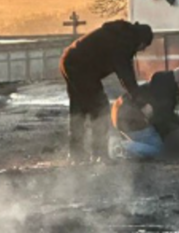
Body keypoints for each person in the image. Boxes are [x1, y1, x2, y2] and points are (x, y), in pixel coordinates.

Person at [60, 20, 153, 162]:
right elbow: (126, 76)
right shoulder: (122, 43)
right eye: (143, 46)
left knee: (78, 109)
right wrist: (141, 102)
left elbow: (125, 73)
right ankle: (99, 153)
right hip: (81, 68)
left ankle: (76, 154)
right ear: (141, 41)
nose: (142, 50)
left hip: (69, 60)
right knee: (100, 109)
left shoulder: (121, 35)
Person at [111, 64, 179, 159]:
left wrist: (178, 123)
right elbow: (161, 119)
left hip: (121, 113)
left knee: (149, 143)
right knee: (157, 149)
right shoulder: (165, 93)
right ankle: (121, 147)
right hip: (131, 118)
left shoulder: (163, 85)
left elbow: (164, 114)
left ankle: (122, 144)